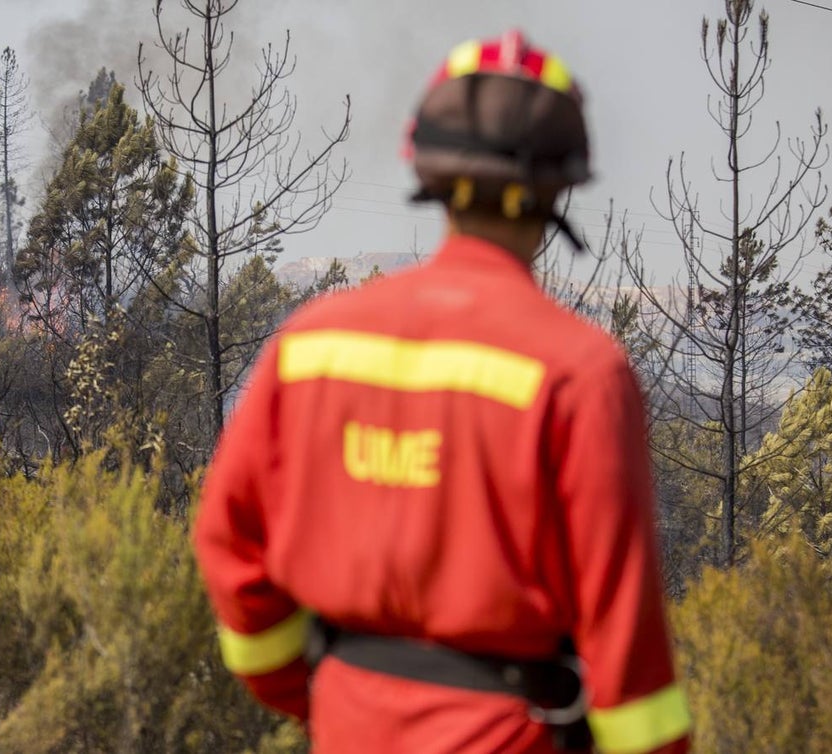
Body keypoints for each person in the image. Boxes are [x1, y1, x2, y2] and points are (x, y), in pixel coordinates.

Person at [193, 31, 692, 754]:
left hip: (347, 726)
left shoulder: (312, 344)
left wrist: (312, 693)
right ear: (560, 188)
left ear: (425, 166)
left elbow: (229, 543)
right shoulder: (579, 372)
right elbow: (625, 641)